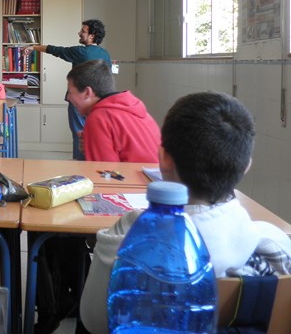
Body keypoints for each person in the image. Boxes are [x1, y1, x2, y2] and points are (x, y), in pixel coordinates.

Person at [80, 92, 291, 334]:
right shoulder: (275, 244)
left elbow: (94, 321)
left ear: (163, 159)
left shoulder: (128, 235)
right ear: (246, 166)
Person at [26, 19, 111, 160]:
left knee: (79, 134)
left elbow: (56, 50)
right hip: (98, 102)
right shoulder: (105, 54)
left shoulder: (81, 52)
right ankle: (92, 162)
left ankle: (80, 163)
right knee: (94, 134)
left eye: (83, 31)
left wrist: (34, 47)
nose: (79, 33)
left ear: (92, 36)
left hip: (79, 101)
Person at [66, 60, 160, 163]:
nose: (68, 98)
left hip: (132, 174)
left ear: (87, 93)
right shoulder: (134, 108)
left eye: (70, 92)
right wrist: (91, 146)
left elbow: (103, 171)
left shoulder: (99, 118)